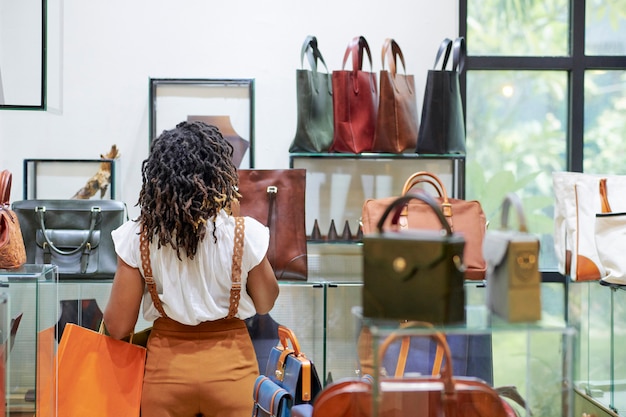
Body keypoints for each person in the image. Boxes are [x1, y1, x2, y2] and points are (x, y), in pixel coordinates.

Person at [103, 120, 279, 417]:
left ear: (158, 178)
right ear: (219, 175)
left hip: (165, 375)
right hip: (234, 373)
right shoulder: (243, 233)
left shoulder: (138, 236)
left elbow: (118, 326)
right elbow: (266, 302)